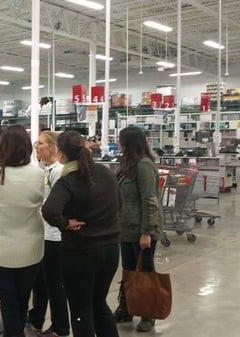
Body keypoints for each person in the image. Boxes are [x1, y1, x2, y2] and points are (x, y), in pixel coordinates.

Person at [42, 130, 120, 337]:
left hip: (81, 252)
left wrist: (65, 223)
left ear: (61, 154)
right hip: (111, 249)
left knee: (80, 311)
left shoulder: (69, 180)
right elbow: (118, 204)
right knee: (98, 303)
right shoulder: (106, 173)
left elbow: (49, 210)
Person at [0, 125, 45, 337]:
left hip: (0, 249)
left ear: (3, 147)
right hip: (32, 247)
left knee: (7, 300)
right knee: (23, 298)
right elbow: (43, 204)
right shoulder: (38, 174)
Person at [113, 126, 163, 332]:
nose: (118, 144)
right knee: (129, 271)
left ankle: (148, 314)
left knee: (145, 273)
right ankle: (127, 308)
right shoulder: (127, 165)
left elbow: (150, 200)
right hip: (125, 229)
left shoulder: (144, 166)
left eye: (121, 141)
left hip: (142, 230)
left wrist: (146, 232)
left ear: (129, 143)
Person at [28, 131, 70, 337]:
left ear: (53, 147)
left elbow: (54, 206)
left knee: (54, 283)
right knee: (40, 281)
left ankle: (60, 327)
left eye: (41, 144)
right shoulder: (46, 170)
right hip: (43, 233)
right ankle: (36, 318)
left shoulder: (58, 171)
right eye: (36, 144)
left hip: (54, 236)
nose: (37, 147)